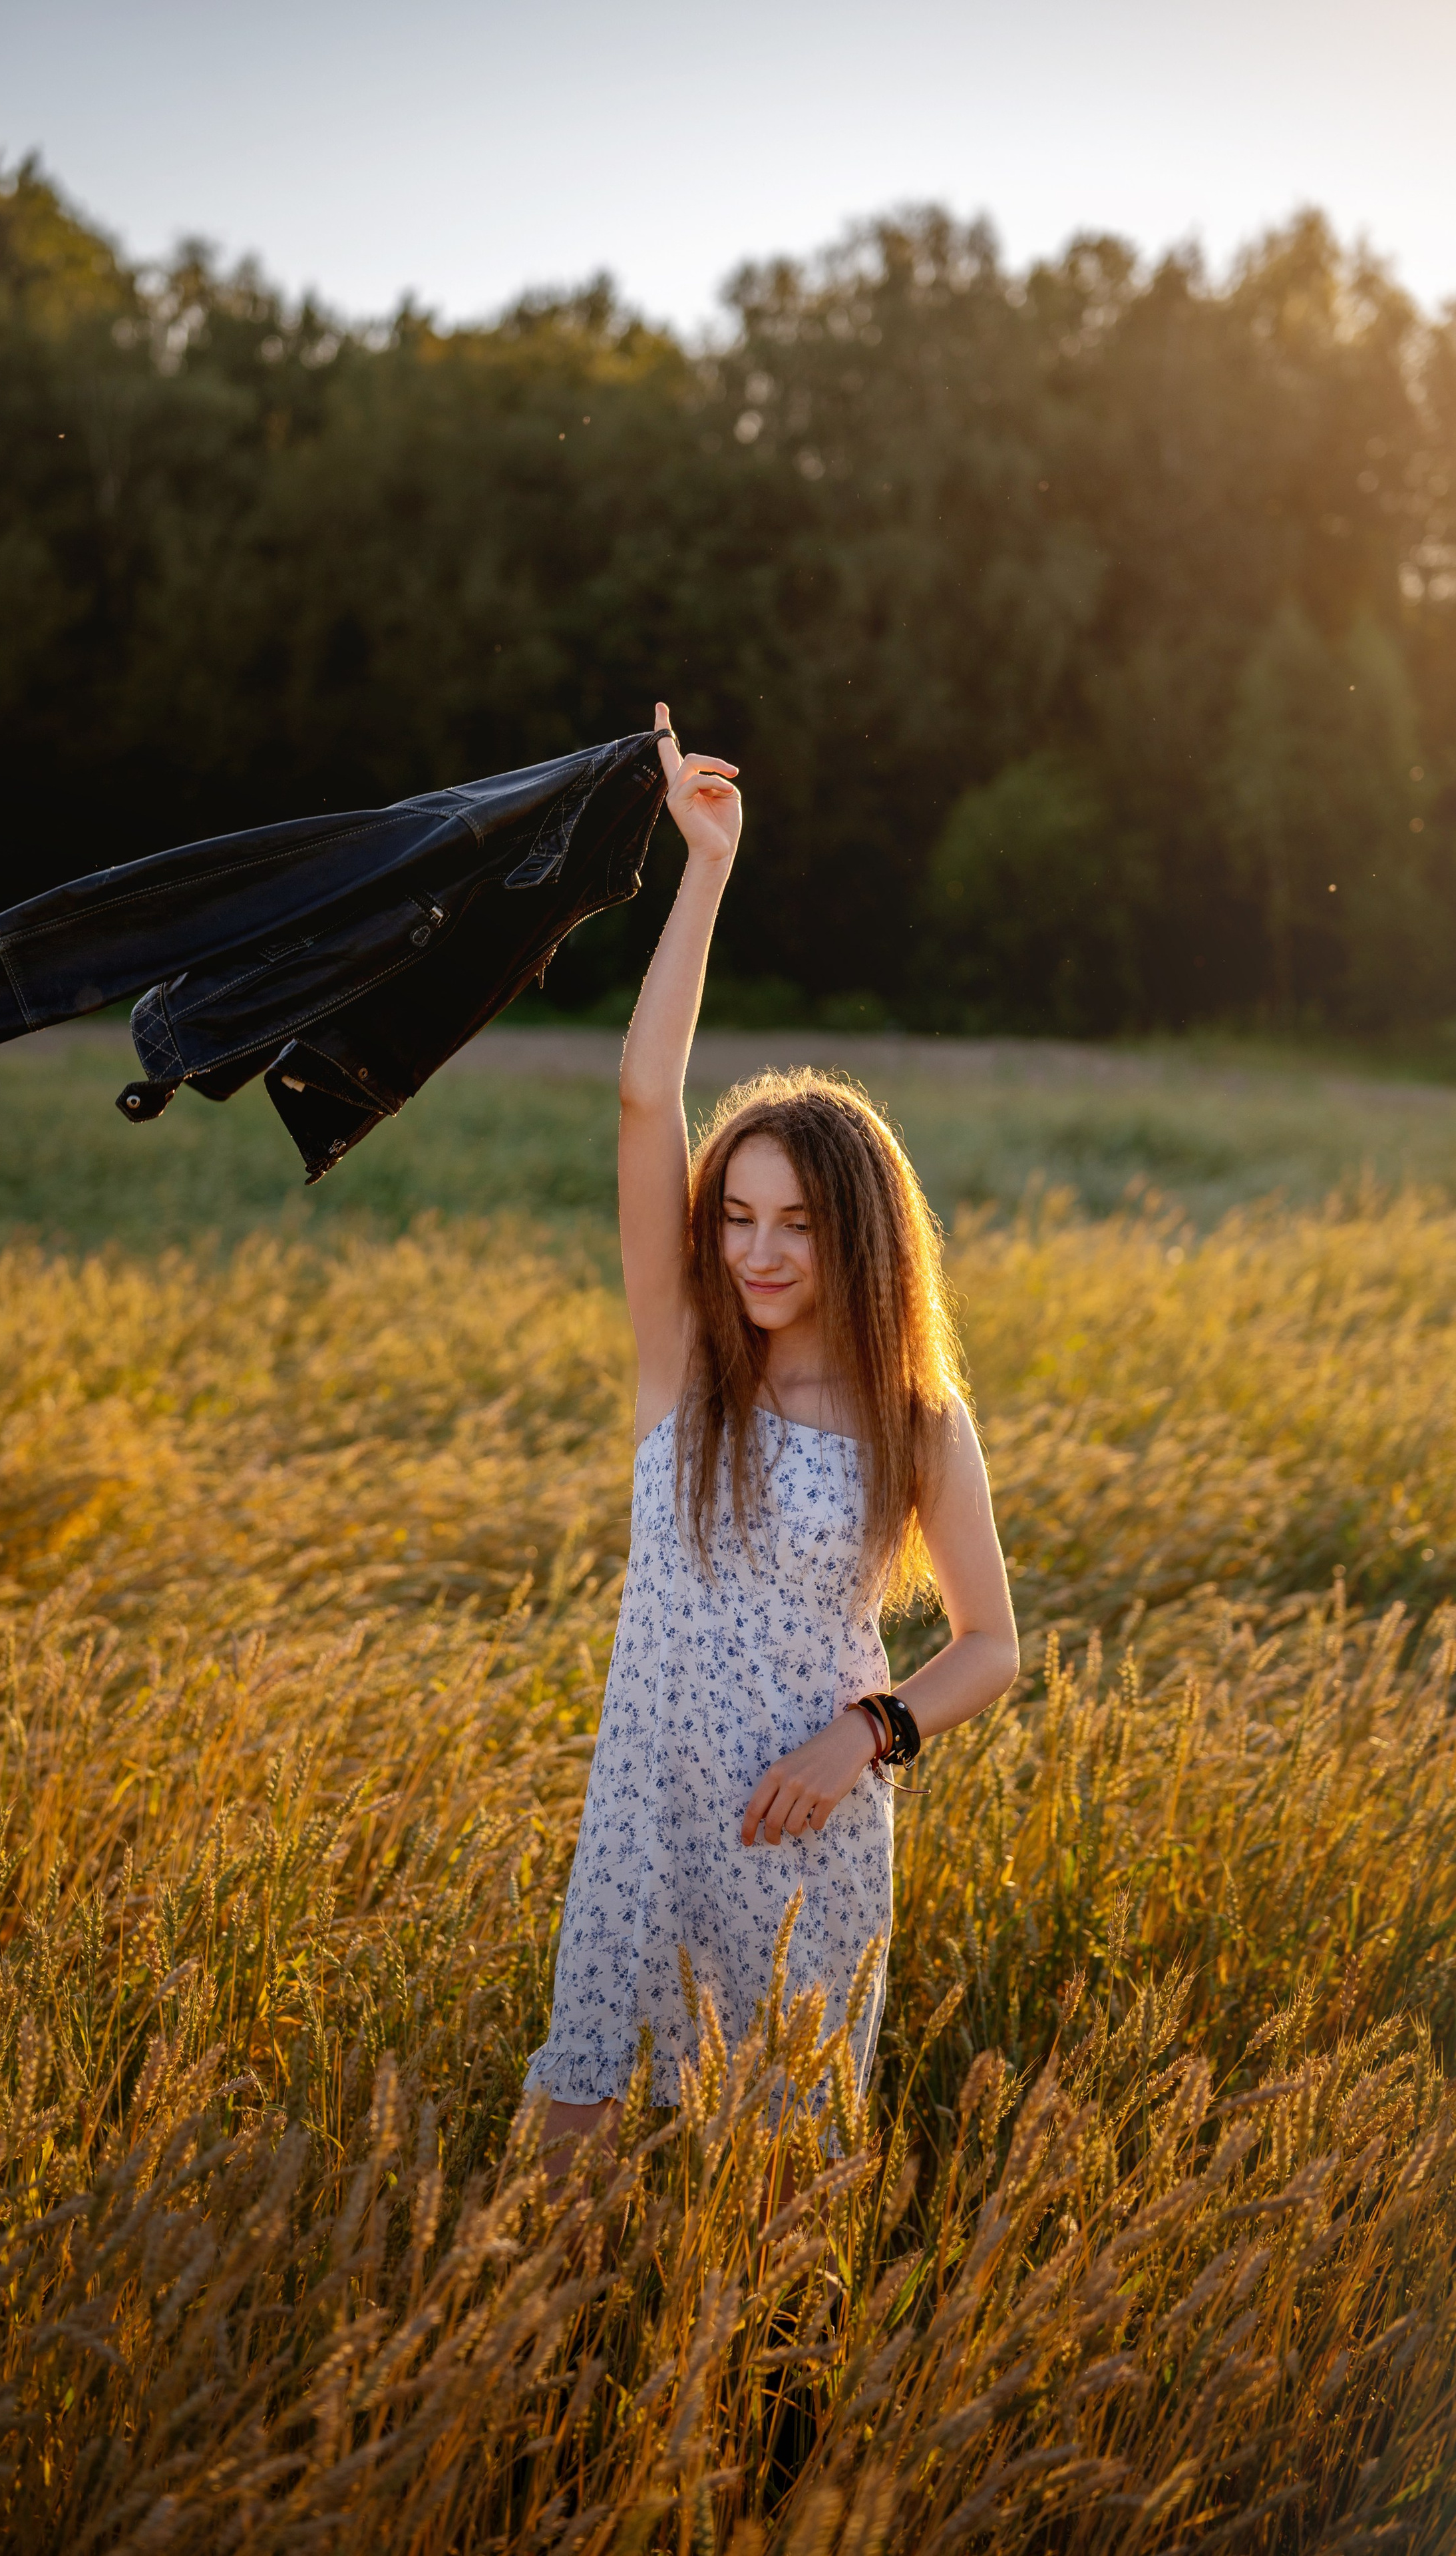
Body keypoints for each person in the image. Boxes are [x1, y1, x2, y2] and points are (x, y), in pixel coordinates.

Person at [522, 704, 1020, 2167]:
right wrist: (704, 869)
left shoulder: (915, 1422)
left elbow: (991, 1643)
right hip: (644, 1815)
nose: (755, 1251)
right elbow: (639, 1094)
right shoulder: (684, 1372)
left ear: (855, 1235)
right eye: (734, 1217)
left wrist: (864, 1736)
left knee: (778, 2195)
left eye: (794, 1224)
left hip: (805, 1833)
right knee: (566, 2154)